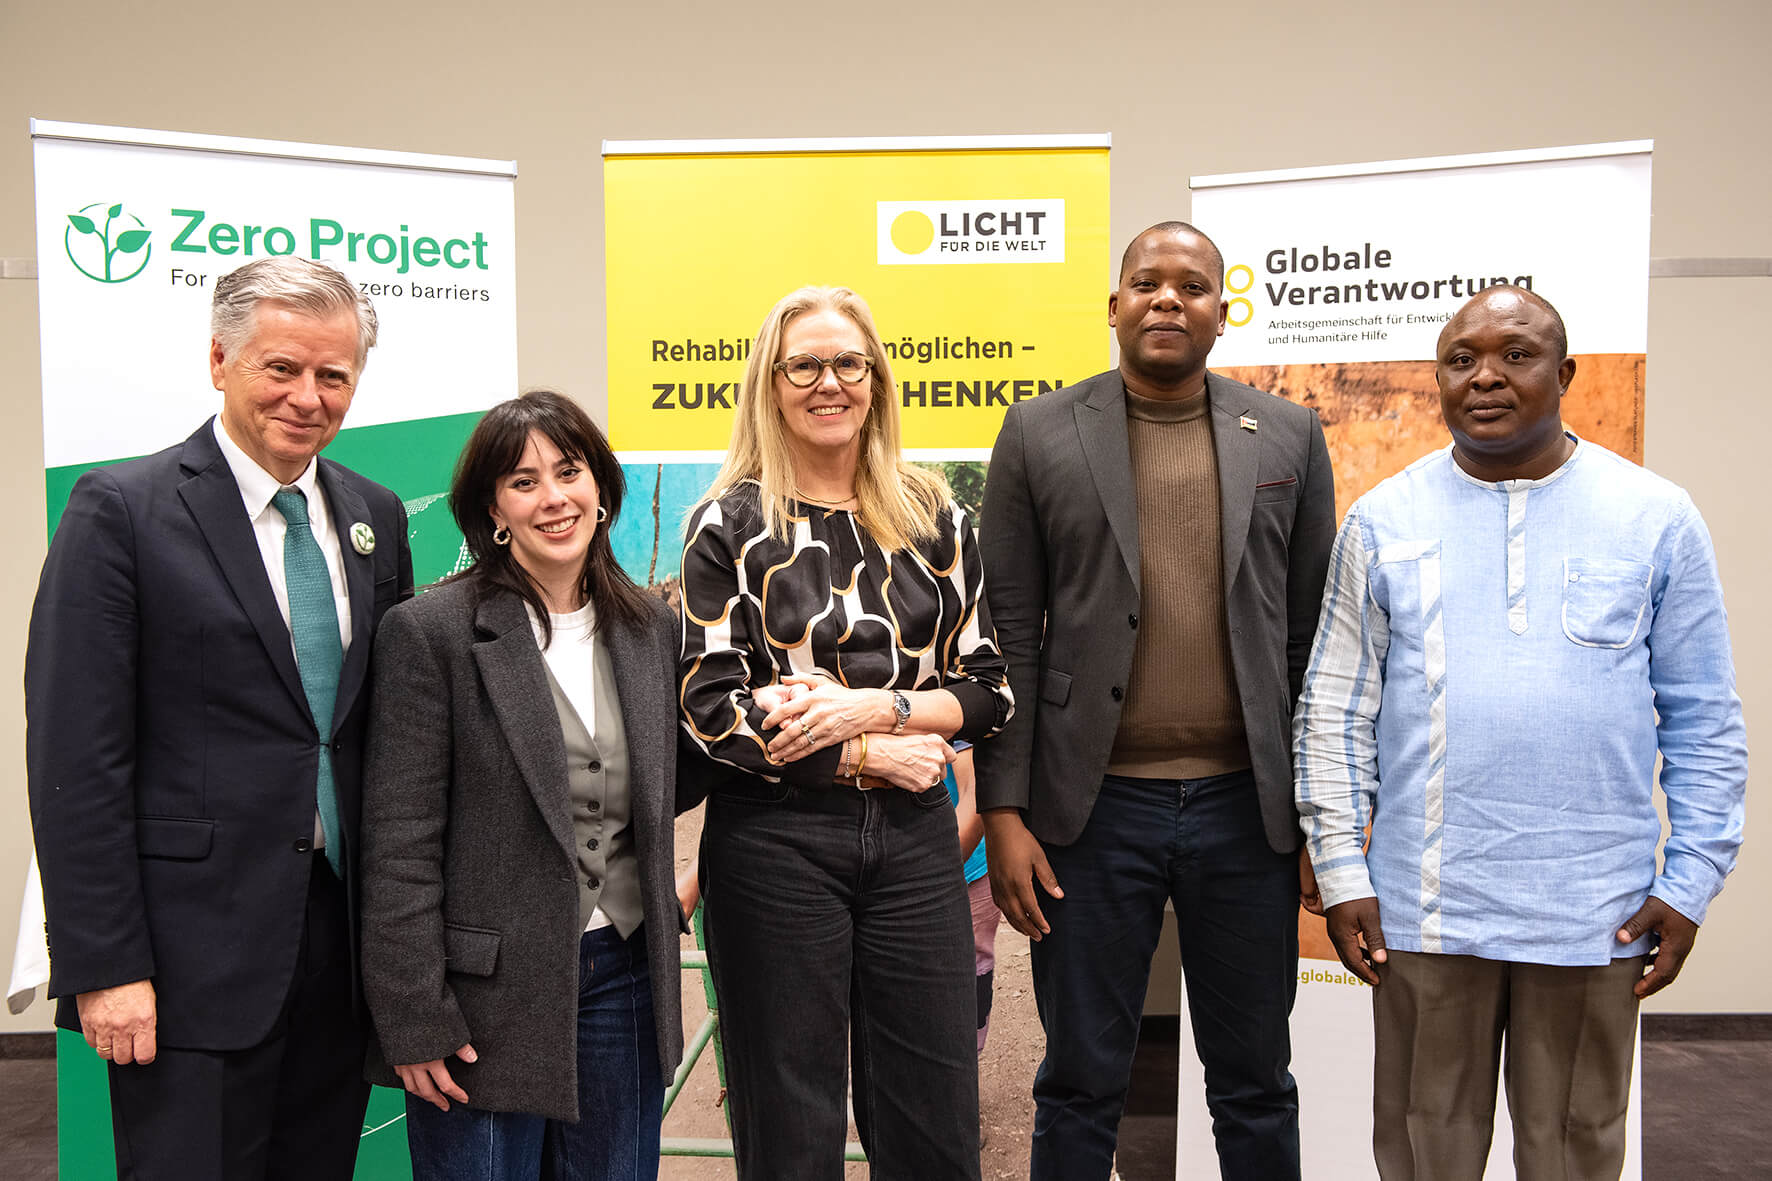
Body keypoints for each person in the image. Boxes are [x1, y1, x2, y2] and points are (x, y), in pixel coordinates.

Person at [1293, 285, 1747, 1180]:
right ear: (1439, 380)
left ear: (1566, 373)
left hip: (1594, 913)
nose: (1486, 376)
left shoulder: (1656, 515)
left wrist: (1692, 879)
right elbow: (1335, 707)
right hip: (1427, 908)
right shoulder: (1384, 519)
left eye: (1517, 354)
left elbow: (1705, 716)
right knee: (1428, 1150)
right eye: (1462, 360)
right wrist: (1342, 865)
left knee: (1577, 1150)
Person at [24, 256, 412, 1179]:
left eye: (333, 374)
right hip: (184, 960)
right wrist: (105, 965)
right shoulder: (122, 509)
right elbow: (76, 758)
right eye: (281, 368)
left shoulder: (376, 514)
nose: (307, 396)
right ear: (219, 360)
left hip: (338, 948)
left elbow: (381, 731)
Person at [976, 221, 1335, 1180]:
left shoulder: (1291, 432)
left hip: (1245, 810)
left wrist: (1315, 819)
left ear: (1225, 311)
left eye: (1192, 286)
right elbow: (1007, 633)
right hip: (1089, 815)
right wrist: (1004, 812)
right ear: (1115, 306)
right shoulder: (1038, 430)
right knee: (1082, 1077)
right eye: (1146, 282)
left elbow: (1308, 640)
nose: (1168, 299)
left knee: (1255, 1077)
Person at [678, 285, 1014, 1179]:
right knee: (791, 1127)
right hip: (774, 843)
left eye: (848, 363)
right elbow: (715, 714)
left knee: (936, 1124)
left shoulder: (936, 516)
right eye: (805, 365)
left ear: (876, 378)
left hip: (915, 842)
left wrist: (871, 708)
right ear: (772, 383)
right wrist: (875, 752)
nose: (829, 382)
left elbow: (989, 693)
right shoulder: (728, 526)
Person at [360, 390, 704, 1180]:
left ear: (600, 487)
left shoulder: (651, 628)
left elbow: (660, 785)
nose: (553, 496)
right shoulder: (432, 632)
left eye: (569, 470)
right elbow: (400, 845)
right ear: (493, 508)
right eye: (523, 480)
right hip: (482, 1000)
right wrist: (415, 1018)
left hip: (623, 978)